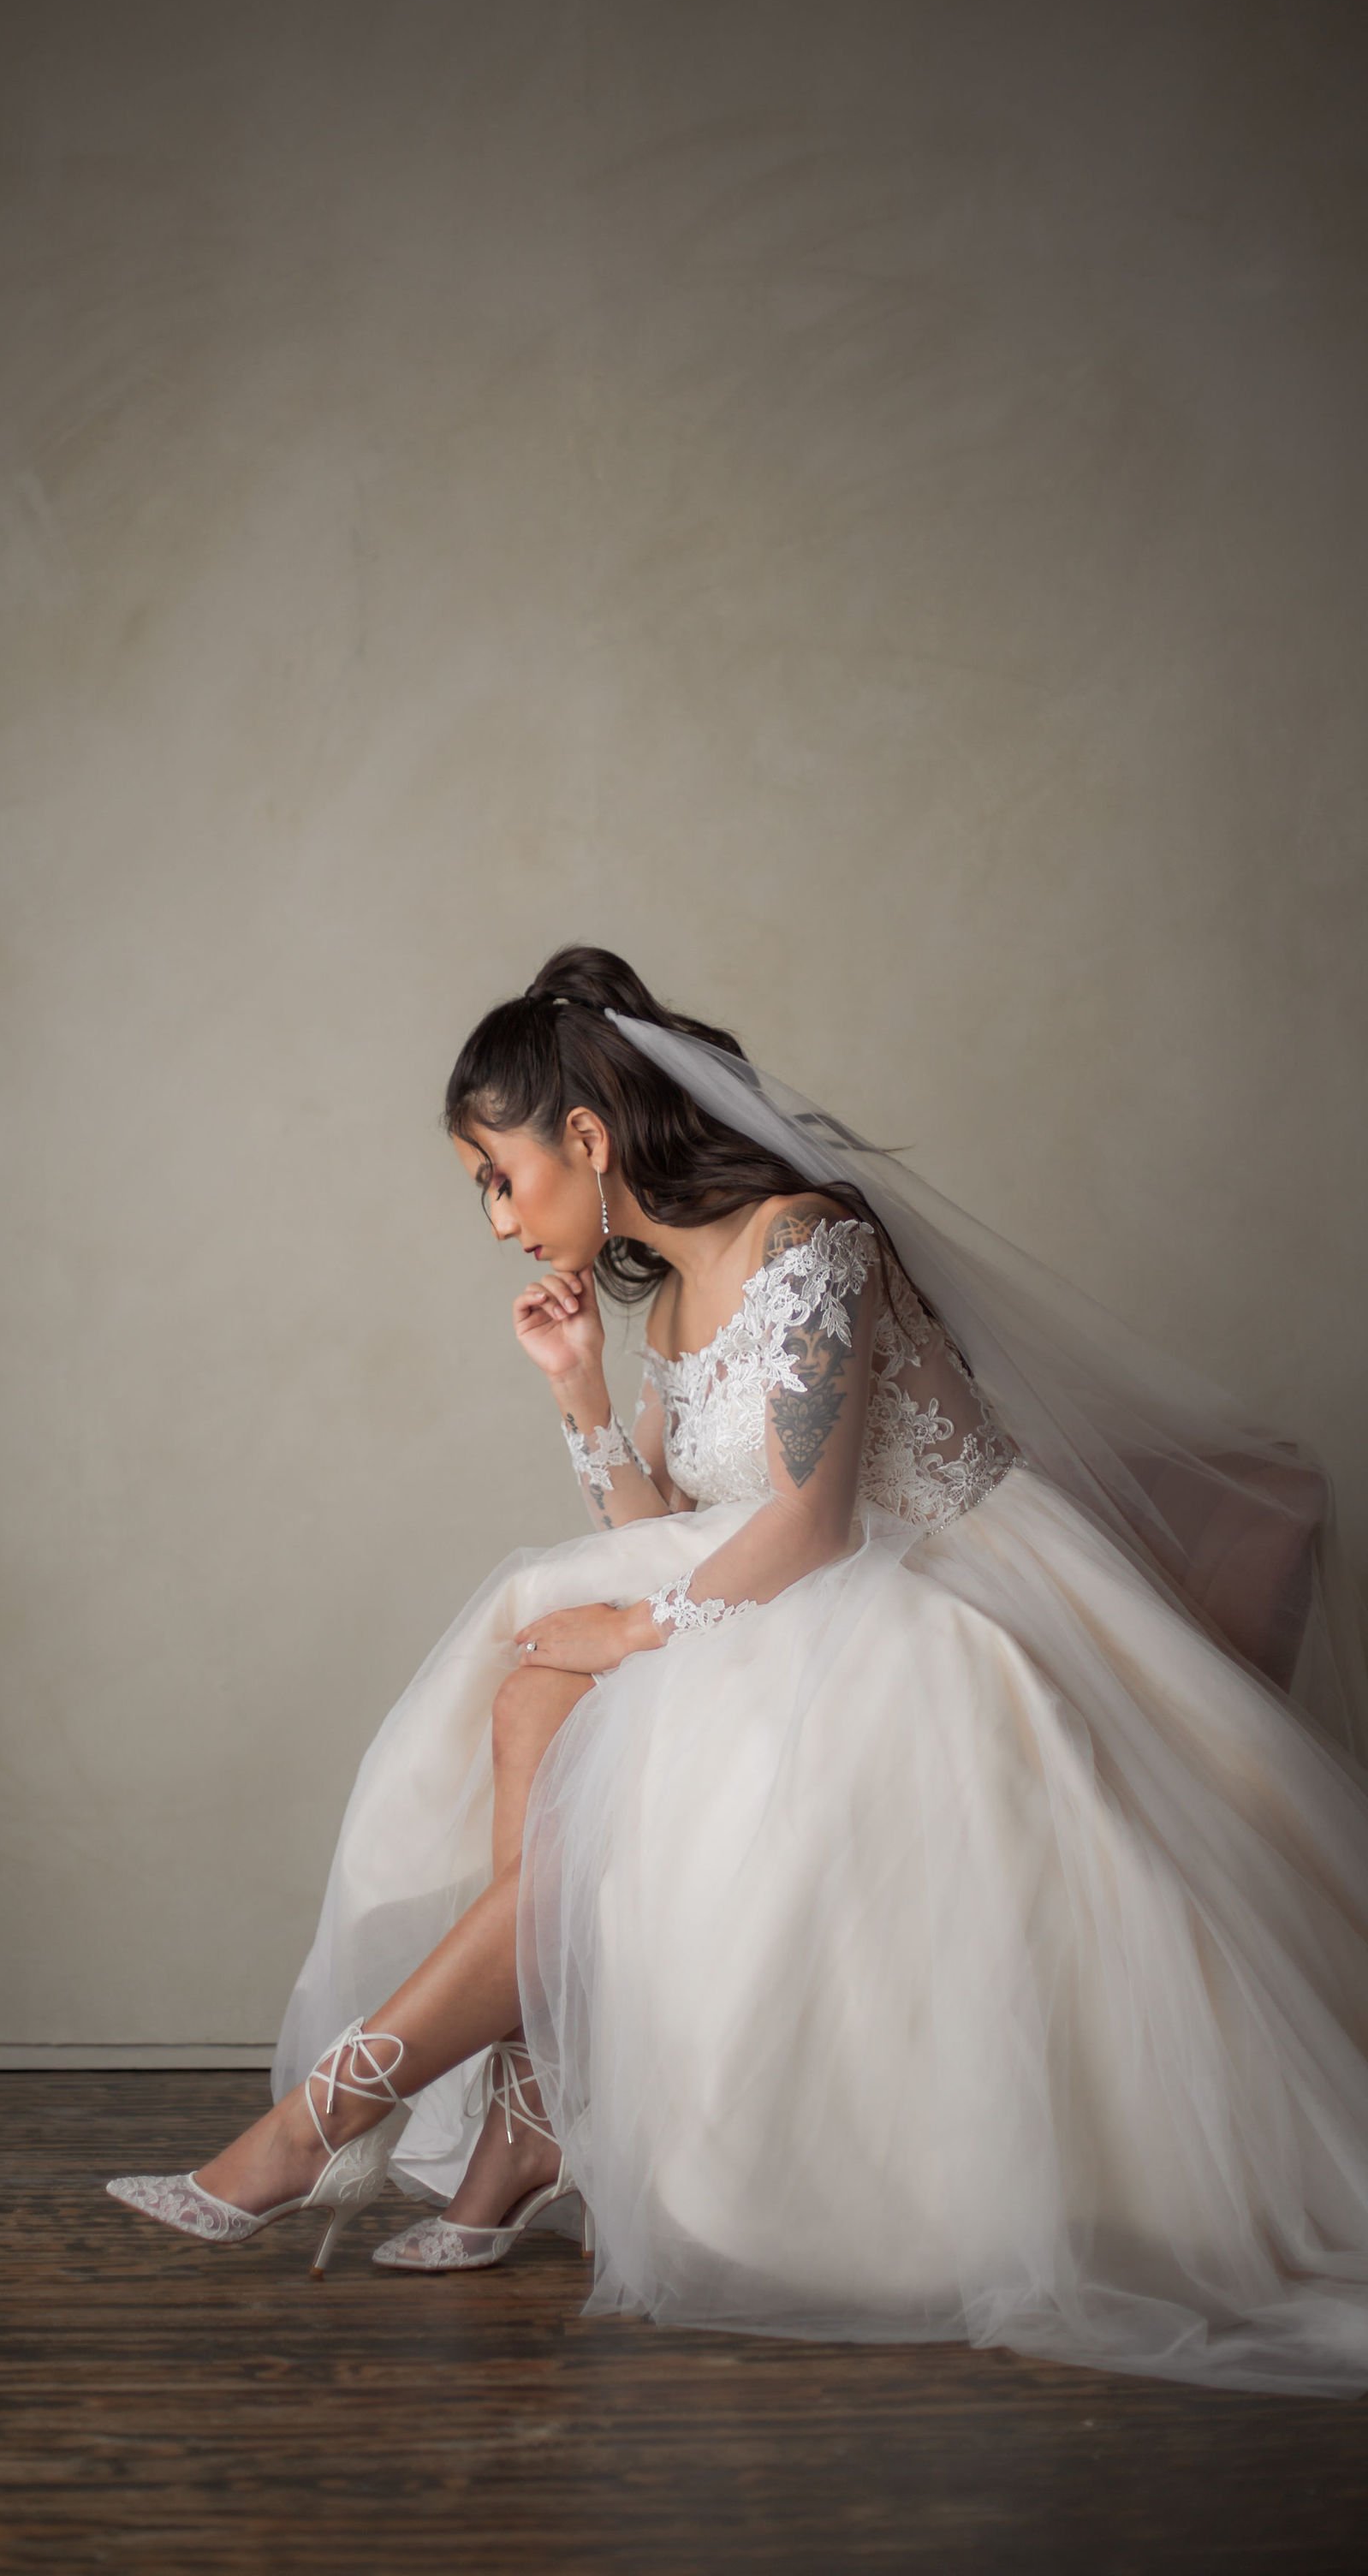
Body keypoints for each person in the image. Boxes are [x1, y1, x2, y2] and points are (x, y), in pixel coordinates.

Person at [109, 947, 1368, 2397]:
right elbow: (670, 1532)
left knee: (581, 1705)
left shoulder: (806, 1240)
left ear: (586, 1138)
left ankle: (326, 2119)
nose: (499, 1217)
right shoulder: (669, 1309)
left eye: (499, 1176)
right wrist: (581, 1391)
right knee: (530, 1688)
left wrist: (636, 1635)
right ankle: (516, 2116)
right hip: (789, 1600)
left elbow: (814, 1525)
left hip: (939, 1607)